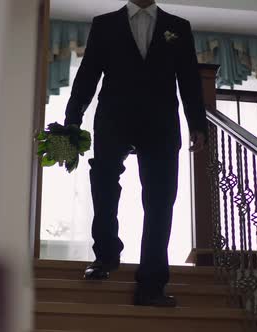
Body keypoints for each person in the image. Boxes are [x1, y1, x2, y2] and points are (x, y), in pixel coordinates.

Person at [64, 0, 206, 307]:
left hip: (161, 124)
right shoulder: (104, 24)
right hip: (114, 118)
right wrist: (73, 119)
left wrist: (197, 124)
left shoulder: (178, 27)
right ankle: (105, 256)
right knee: (103, 181)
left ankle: (152, 284)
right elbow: (88, 73)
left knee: (160, 199)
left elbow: (190, 78)